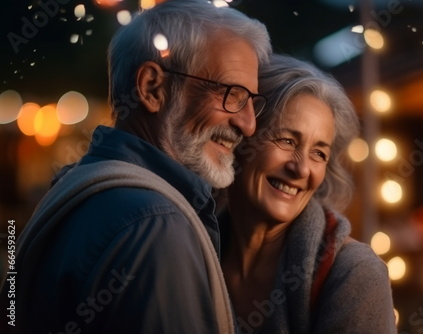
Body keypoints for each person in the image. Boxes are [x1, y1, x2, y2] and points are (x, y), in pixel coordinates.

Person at [0, 1, 271, 333]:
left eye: (252, 103)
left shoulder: (80, 185)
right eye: (232, 94)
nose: (248, 125)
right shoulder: (155, 222)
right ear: (152, 88)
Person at [219, 54, 397, 333]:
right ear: (242, 136)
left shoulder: (356, 273)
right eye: (287, 140)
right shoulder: (192, 246)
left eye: (319, 153)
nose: (301, 169)